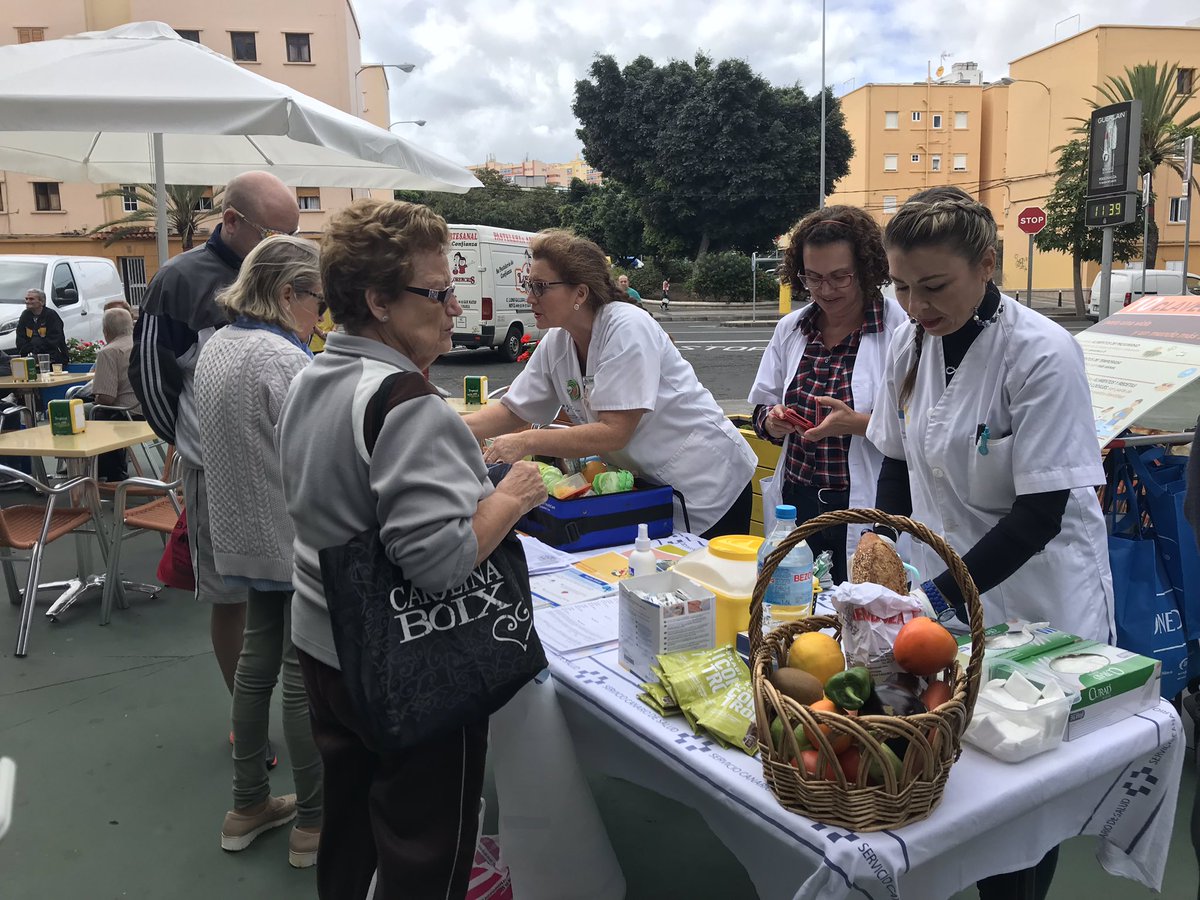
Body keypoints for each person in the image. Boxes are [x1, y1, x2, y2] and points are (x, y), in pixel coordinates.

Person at [277, 198, 547, 900]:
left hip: (322, 637)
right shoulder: (408, 404)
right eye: (438, 292)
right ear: (380, 302)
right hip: (410, 659)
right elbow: (436, 564)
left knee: (352, 821)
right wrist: (510, 498)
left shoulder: (312, 377)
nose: (454, 307)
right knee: (426, 843)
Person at [864, 186, 1114, 900]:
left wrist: (931, 598)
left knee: (1024, 791)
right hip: (949, 583)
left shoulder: (1040, 354)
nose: (917, 306)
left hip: (1039, 592)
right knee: (959, 774)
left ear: (987, 263)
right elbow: (894, 459)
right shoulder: (911, 343)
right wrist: (883, 560)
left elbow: (1039, 515)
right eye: (903, 287)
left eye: (935, 286)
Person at [130, 171, 300, 717]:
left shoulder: (285, 275)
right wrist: (190, 444)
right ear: (230, 221)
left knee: (295, 587)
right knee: (231, 596)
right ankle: (246, 718)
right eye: (273, 235)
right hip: (217, 470)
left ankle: (293, 712)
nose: (284, 246)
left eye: (292, 235)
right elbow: (153, 379)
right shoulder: (179, 280)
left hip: (286, 465)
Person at [465, 229, 756, 538]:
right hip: (656, 490)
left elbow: (615, 431)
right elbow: (515, 411)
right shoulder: (558, 340)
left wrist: (526, 442)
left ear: (580, 293)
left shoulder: (626, 327)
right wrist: (450, 430)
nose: (529, 297)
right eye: (528, 285)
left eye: (540, 287)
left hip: (711, 484)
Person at [195, 235, 324, 869]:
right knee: (302, 678)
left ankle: (247, 804)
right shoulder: (284, 359)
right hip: (293, 535)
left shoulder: (217, 345)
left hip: (239, 533)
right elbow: (317, 456)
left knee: (255, 666)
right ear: (285, 293)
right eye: (316, 300)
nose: (320, 316)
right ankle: (315, 824)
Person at [748, 205, 906, 584]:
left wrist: (858, 424)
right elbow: (760, 407)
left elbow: (923, 429)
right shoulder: (792, 329)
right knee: (795, 602)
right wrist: (772, 420)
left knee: (863, 609)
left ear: (868, 270)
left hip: (865, 499)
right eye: (813, 278)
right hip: (796, 501)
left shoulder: (901, 329)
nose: (825, 290)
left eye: (840, 277)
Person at [91, 307, 142, 482]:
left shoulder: (109, 352)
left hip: (127, 413)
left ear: (106, 331)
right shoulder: (142, 344)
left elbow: (106, 397)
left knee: (88, 411)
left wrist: (94, 396)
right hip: (150, 411)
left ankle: (108, 471)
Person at [16, 289, 68, 364]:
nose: (27, 301)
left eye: (31, 299)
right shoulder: (25, 315)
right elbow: (20, 338)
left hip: (52, 357)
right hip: (30, 356)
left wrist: (38, 352)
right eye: (26, 299)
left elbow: (54, 339)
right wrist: (28, 351)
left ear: (42, 302)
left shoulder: (51, 315)